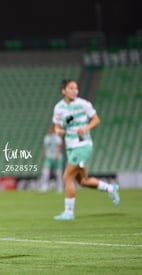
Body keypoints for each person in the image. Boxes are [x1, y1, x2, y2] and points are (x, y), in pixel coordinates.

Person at [52, 79, 120, 220]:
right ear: (63, 91)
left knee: (67, 177)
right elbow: (57, 125)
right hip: (70, 146)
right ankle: (110, 188)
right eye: (71, 88)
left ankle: (69, 212)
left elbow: (96, 119)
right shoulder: (58, 108)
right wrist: (58, 131)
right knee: (83, 181)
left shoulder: (83, 104)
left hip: (82, 145)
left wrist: (86, 128)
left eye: (76, 88)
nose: (75, 91)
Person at [39, 125, 64, 193]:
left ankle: (60, 187)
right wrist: (43, 156)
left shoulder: (57, 137)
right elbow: (45, 148)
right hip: (49, 157)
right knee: (45, 172)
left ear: (53, 129)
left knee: (58, 173)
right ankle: (44, 187)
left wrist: (57, 155)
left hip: (57, 158)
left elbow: (60, 147)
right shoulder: (47, 137)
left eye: (50, 129)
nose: (49, 130)